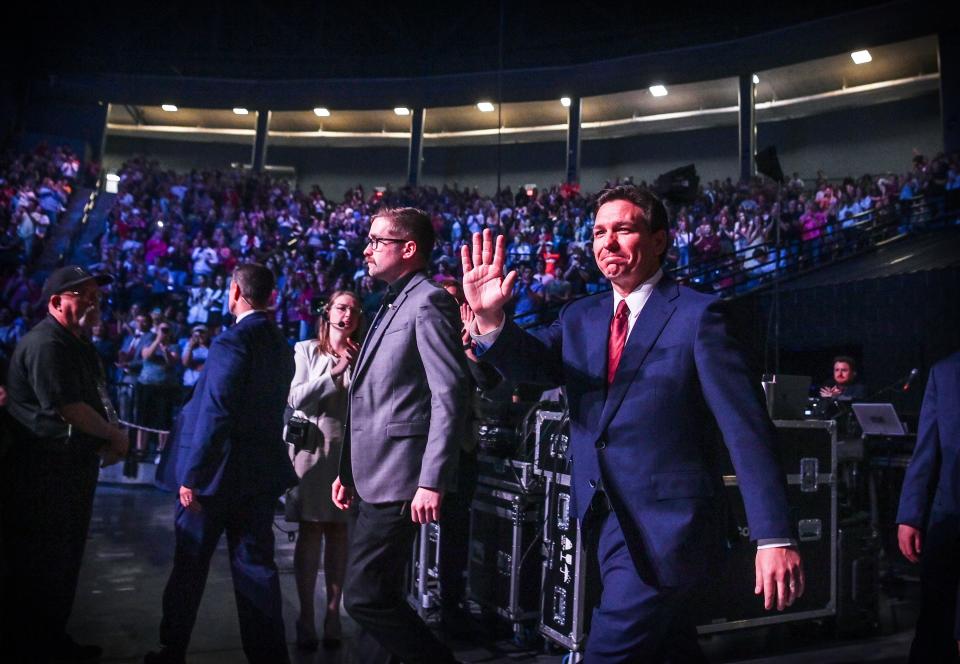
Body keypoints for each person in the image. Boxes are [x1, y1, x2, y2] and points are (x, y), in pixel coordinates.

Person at [461, 185, 804, 662]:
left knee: (608, 652)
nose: (608, 243)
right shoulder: (580, 315)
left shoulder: (700, 315)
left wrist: (774, 535)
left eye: (623, 229)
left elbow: (746, 430)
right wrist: (491, 321)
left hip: (672, 528)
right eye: (599, 232)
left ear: (660, 239)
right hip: (603, 520)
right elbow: (534, 366)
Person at [332, 207, 469, 664]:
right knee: (381, 595)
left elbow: (448, 394)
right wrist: (346, 470)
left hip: (400, 479)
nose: (367, 250)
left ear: (408, 249)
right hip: (369, 474)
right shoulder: (392, 300)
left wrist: (432, 480)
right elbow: (368, 400)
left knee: (365, 598)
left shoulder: (428, 300)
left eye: (377, 241)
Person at [147, 263, 296, 664]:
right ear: (273, 297)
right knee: (256, 570)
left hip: (214, 479)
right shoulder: (281, 345)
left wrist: (192, 475)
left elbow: (216, 412)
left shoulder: (232, 343)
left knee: (190, 567)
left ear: (234, 293)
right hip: (258, 477)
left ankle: (171, 650)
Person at [1, 265, 129, 662]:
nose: (94, 302)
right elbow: (70, 409)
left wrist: (111, 430)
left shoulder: (78, 343)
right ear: (56, 302)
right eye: (83, 295)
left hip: (71, 469)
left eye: (96, 295)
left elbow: (95, 395)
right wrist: (112, 435)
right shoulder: (47, 344)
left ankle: (53, 639)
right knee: (44, 563)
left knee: (64, 561)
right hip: (44, 473)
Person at [285, 290, 362, 651]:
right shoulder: (306, 350)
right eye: (342, 307)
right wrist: (335, 372)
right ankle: (305, 614)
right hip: (312, 451)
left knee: (339, 533)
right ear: (328, 313)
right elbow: (297, 398)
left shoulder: (364, 353)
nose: (348, 314)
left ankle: (333, 612)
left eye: (354, 309)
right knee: (311, 532)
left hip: (349, 454)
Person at [896, 352, 960, 663]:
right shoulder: (945, 372)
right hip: (949, 518)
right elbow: (927, 449)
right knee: (937, 621)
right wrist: (911, 515)